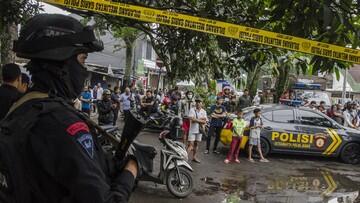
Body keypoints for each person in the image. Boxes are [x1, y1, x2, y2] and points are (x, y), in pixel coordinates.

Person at [6, 14, 137, 202]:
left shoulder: (22, 107)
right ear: (63, 62)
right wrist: (130, 171)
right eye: (83, 60)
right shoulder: (62, 124)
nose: (84, 71)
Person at [187, 98, 207, 163]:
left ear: (202, 103)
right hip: (192, 130)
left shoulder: (204, 111)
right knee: (190, 145)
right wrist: (201, 119)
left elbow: (205, 121)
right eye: (197, 102)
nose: (198, 103)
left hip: (200, 130)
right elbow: (191, 119)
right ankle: (184, 158)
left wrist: (196, 119)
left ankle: (194, 157)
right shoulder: (192, 110)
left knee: (196, 144)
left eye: (199, 102)